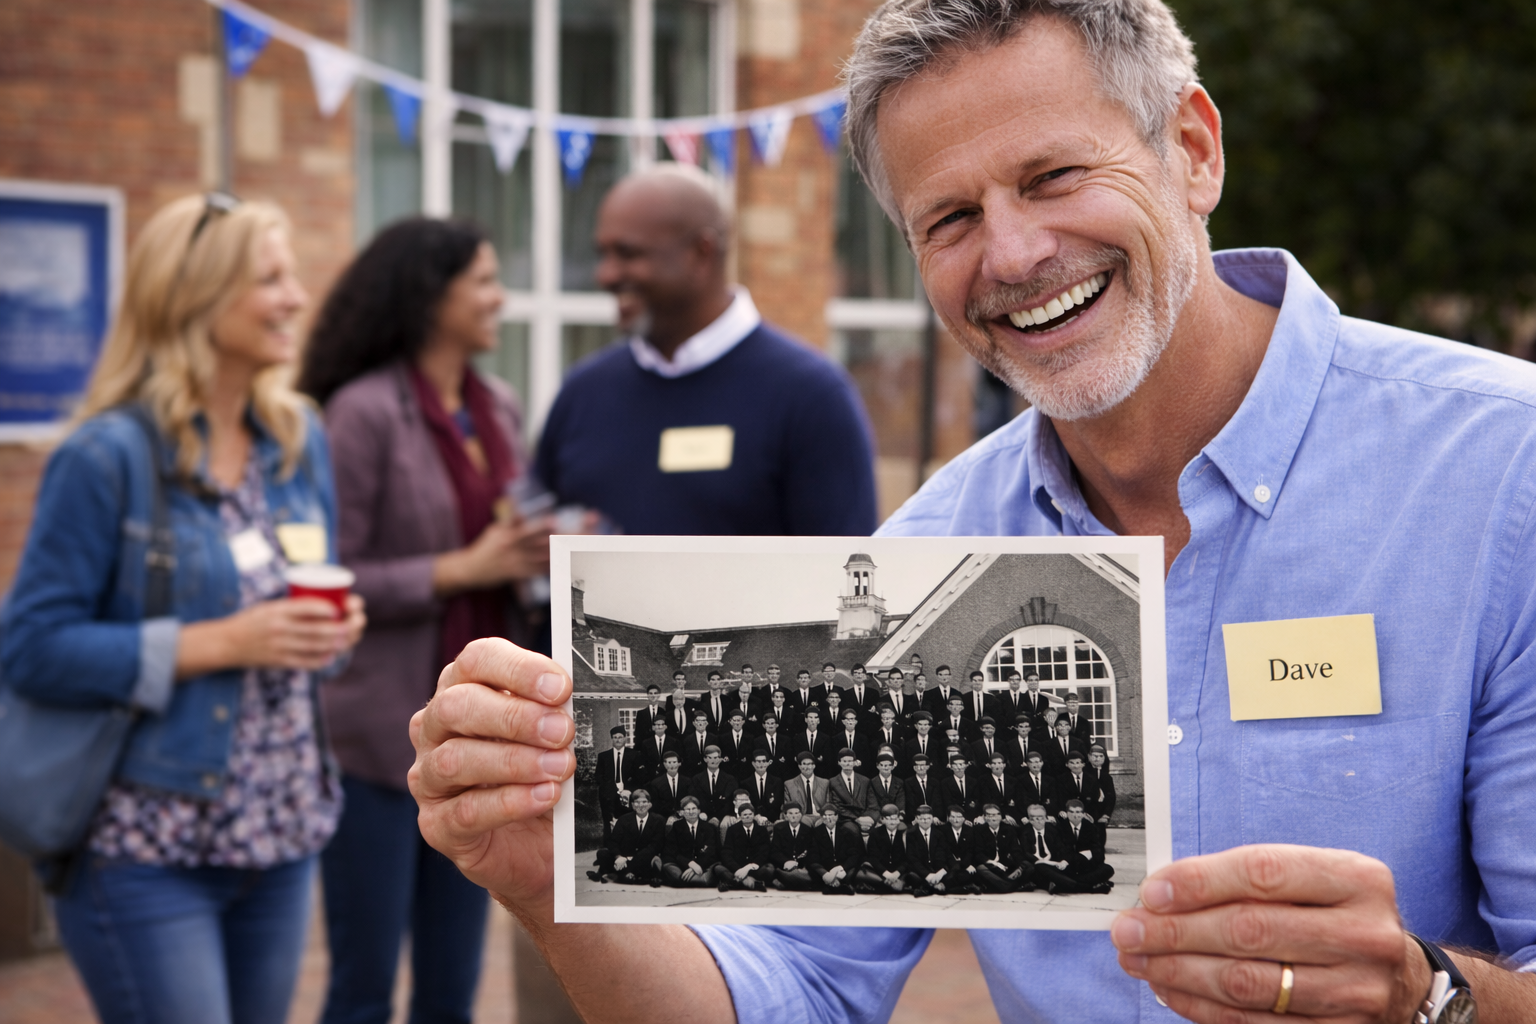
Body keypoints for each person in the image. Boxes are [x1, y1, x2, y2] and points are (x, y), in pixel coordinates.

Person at [409, 0, 1536, 1019]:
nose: (1013, 253)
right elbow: (793, 988)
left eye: (1052, 177)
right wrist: (542, 878)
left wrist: (1430, 997)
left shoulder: (1501, 471)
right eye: (948, 218)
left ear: (1192, 150)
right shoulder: (933, 552)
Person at [0, 193, 365, 1024]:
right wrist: (220, 641)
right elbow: (31, 648)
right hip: (145, 851)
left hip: (283, 835)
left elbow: (308, 619)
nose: (298, 299)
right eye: (270, 279)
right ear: (194, 295)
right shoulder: (106, 457)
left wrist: (331, 635)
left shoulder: (299, 439)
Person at [301, 211, 562, 1024]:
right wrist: (463, 569)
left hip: (476, 736)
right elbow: (328, 579)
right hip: (379, 742)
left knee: (452, 987)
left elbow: (500, 536)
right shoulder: (363, 412)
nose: (500, 297)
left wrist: (539, 551)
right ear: (430, 294)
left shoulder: (500, 405)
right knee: (364, 985)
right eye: (482, 280)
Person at [533, 163, 877, 537]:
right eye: (604, 254)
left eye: (628, 254)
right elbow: (534, 549)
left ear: (701, 253)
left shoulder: (811, 396)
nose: (606, 275)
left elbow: (843, 577)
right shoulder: (582, 393)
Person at [588, 789, 663, 886]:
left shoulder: (658, 820)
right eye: (637, 802)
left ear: (650, 804)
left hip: (644, 858)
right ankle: (627, 874)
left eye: (644, 802)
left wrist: (630, 859)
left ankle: (624, 874)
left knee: (653, 860)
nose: (641, 805)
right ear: (632, 805)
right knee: (602, 853)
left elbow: (655, 845)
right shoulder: (624, 819)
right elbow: (613, 841)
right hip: (623, 857)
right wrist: (618, 856)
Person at [714, 801, 774, 892]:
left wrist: (749, 867)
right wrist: (737, 870)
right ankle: (752, 883)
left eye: (750, 814)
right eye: (745, 814)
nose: (748, 816)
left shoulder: (761, 830)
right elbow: (726, 852)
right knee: (718, 868)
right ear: (740, 816)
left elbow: (764, 852)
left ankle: (735, 882)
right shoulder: (732, 830)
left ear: (754, 815)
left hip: (754, 867)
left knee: (769, 870)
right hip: (737, 866)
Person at [659, 795, 717, 888]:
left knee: (710, 871)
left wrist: (697, 866)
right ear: (682, 812)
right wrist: (689, 864)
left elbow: (711, 851)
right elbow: (672, 850)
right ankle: (690, 880)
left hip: (702, 865)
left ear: (699, 810)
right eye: (687, 809)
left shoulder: (709, 827)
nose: (691, 812)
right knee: (669, 868)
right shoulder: (676, 826)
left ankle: (692, 880)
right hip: (681, 864)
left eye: (694, 808)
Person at [1060, 801, 1115, 894]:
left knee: (1108, 869)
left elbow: (1098, 851)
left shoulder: (1090, 827)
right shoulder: (1060, 827)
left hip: (1086, 866)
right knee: (1059, 873)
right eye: (1071, 812)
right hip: (1069, 866)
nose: (1075, 815)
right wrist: (1082, 856)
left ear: (1083, 814)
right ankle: (1092, 886)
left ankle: (1074, 885)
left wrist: (1087, 860)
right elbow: (1061, 851)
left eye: (1078, 812)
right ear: (1067, 813)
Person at [972, 805, 1027, 894]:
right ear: (984, 817)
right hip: (990, 865)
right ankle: (1010, 886)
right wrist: (993, 862)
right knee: (981, 868)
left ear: (1001, 816)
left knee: (1027, 866)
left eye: (995, 815)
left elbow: (1016, 850)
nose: (992, 818)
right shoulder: (978, 830)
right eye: (988, 815)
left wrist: (1018, 867)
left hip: (1005, 865)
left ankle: (1001, 885)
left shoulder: (1009, 829)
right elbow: (978, 853)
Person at [807, 805, 861, 895]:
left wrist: (841, 868)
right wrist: (825, 873)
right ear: (821, 818)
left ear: (837, 816)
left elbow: (854, 854)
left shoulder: (846, 832)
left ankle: (834, 885)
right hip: (825, 868)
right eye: (825, 815)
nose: (828, 818)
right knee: (812, 873)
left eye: (831, 815)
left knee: (853, 872)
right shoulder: (815, 833)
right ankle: (837, 885)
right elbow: (812, 855)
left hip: (842, 869)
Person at [595, 725, 635, 845]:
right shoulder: (603, 756)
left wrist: (628, 790)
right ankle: (607, 851)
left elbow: (640, 776)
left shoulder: (634, 755)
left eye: (620, 737)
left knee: (628, 821)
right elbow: (598, 777)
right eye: (615, 737)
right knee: (608, 822)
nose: (618, 740)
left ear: (625, 739)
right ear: (612, 739)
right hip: (609, 794)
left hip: (628, 793)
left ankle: (627, 848)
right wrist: (611, 789)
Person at [855, 805, 909, 894]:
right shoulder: (875, 833)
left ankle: (891, 883)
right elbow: (873, 857)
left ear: (899, 819)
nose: (892, 822)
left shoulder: (903, 834)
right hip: (881, 870)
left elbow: (906, 858)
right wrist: (886, 874)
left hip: (898, 870)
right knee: (862, 872)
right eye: (889, 819)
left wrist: (897, 873)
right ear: (882, 819)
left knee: (912, 872)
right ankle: (890, 883)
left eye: (895, 819)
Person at [769, 804, 817, 890]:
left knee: (811, 873)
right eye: (790, 813)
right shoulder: (779, 828)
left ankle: (788, 881)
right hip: (784, 865)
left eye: (796, 813)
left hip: (800, 866)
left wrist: (801, 864)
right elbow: (774, 850)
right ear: (785, 815)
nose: (794, 816)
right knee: (771, 870)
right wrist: (785, 862)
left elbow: (811, 851)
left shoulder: (807, 830)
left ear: (801, 815)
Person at [904, 806, 948, 896]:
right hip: (920, 869)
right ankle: (933, 887)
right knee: (911, 876)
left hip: (936, 868)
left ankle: (927, 888)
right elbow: (912, 858)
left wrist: (938, 873)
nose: (925, 821)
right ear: (917, 819)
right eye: (922, 819)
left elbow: (942, 854)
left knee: (953, 874)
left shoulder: (939, 833)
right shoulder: (911, 834)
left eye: (928, 818)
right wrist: (927, 874)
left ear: (932, 818)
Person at [645, 752, 691, 824]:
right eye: (669, 762)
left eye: (674, 762)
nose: (672, 765)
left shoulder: (687, 782)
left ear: (679, 764)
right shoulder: (656, 783)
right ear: (664, 764)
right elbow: (655, 804)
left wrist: (682, 812)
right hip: (663, 817)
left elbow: (689, 799)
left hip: (684, 816)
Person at [782, 753, 831, 821]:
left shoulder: (824, 783)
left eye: (810, 764)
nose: (807, 767)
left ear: (814, 766)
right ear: (799, 766)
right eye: (804, 764)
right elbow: (787, 807)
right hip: (800, 818)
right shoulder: (789, 784)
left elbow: (828, 805)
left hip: (820, 817)